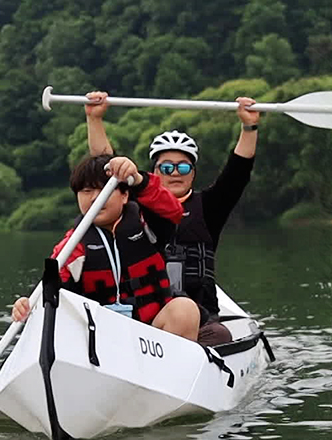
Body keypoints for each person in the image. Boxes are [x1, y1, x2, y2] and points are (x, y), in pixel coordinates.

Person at [85, 91, 260, 346]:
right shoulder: (134, 204)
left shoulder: (209, 207)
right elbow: (109, 168)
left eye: (183, 166)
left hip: (201, 318)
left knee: (221, 335)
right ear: (155, 172)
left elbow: (238, 173)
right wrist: (95, 119)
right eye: (166, 167)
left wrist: (249, 126)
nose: (175, 173)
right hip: (149, 315)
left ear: (193, 173)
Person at [11, 154, 201, 341]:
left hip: (153, 335)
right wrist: (27, 306)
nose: (95, 198)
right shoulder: (72, 246)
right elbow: (50, 293)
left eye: (104, 190)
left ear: (125, 195)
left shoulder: (147, 223)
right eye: (86, 191)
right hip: (101, 341)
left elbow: (174, 210)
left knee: (185, 310)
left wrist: (139, 180)